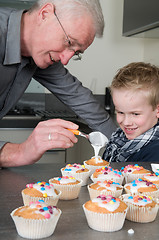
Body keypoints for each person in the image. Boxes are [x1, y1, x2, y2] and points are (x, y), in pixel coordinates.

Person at [0, 0, 116, 167]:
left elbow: (77, 96)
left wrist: (126, 146)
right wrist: (20, 152)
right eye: (68, 42)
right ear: (45, 14)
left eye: (76, 52)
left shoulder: (41, 52)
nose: (66, 59)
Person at [103, 62, 159, 162]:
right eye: (120, 112)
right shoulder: (116, 140)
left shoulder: (155, 152)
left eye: (135, 114)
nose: (126, 122)